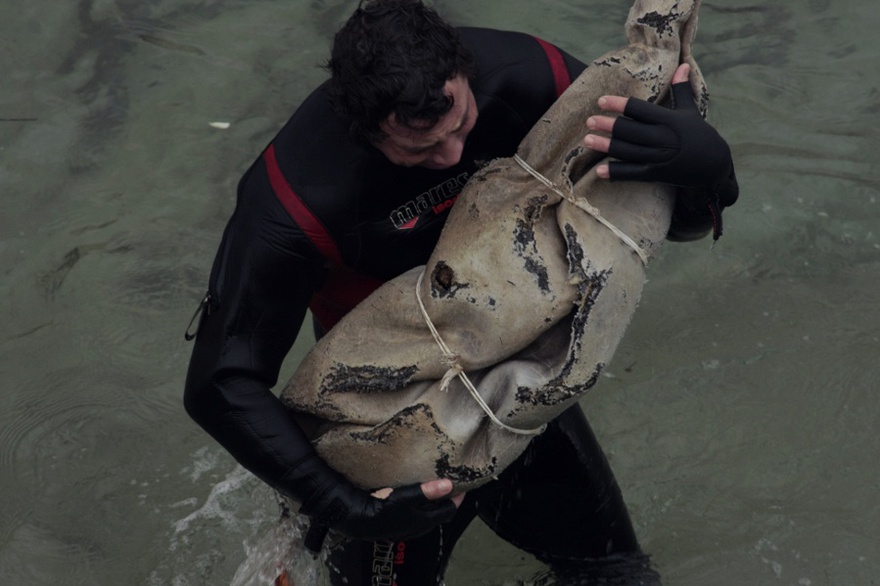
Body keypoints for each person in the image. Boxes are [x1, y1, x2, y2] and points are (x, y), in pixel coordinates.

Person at [183, 0, 739, 583]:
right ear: (362, 128)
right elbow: (220, 384)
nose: (451, 156)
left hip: (514, 379)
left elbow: (660, 225)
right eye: (420, 150)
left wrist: (709, 170)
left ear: (463, 72)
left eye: (462, 126)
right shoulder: (293, 201)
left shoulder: (534, 78)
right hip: (392, 424)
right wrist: (347, 507)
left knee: (614, 574)